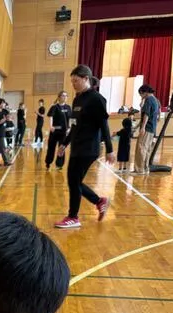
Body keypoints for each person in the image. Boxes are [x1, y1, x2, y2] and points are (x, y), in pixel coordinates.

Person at [54, 64, 115, 229]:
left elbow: (104, 125)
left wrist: (110, 149)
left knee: (74, 181)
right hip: (77, 146)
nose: (73, 84)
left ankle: (73, 217)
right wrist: (64, 144)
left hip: (89, 148)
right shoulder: (77, 99)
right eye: (72, 81)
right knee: (74, 181)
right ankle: (99, 201)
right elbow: (74, 125)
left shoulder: (96, 98)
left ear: (86, 79)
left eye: (76, 81)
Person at [133, 85, 161, 175]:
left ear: (144, 92)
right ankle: (145, 168)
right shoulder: (155, 100)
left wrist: (143, 127)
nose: (141, 96)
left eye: (140, 94)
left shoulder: (148, 100)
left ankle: (139, 170)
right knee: (147, 149)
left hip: (147, 128)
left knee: (141, 148)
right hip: (152, 128)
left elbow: (146, 114)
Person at [45, 91, 71, 170]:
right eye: (63, 95)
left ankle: (59, 164)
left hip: (64, 132)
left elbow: (72, 118)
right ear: (59, 97)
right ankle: (48, 162)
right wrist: (51, 126)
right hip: (55, 131)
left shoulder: (68, 107)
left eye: (66, 96)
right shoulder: (54, 107)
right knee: (51, 147)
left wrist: (70, 128)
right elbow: (51, 117)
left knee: (62, 148)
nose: (65, 97)